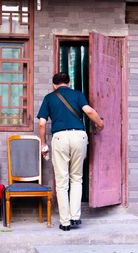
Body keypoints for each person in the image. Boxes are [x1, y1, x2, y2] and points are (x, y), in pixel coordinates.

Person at [37, 72, 104, 231]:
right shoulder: (78, 94)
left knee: (61, 182)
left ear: (54, 85)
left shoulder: (49, 98)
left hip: (60, 138)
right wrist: (100, 124)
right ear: (69, 83)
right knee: (77, 178)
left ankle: (65, 222)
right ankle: (75, 217)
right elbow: (89, 111)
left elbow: (41, 123)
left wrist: (43, 144)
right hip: (78, 136)